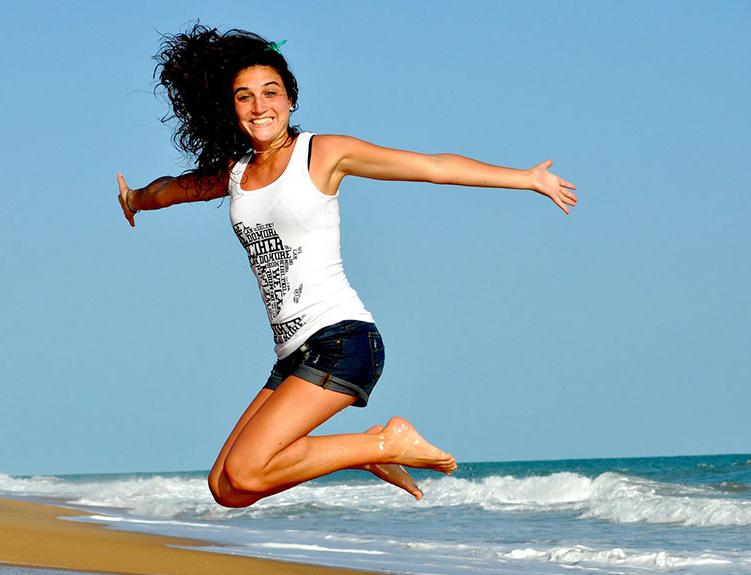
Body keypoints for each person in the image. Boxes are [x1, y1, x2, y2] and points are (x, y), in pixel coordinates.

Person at [116, 25, 577, 508]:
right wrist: (134, 199)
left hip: (341, 340)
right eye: (245, 97)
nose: (260, 107)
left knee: (248, 469)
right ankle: (366, 450)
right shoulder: (236, 174)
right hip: (294, 353)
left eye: (271, 93)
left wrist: (525, 179)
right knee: (226, 487)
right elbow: (171, 189)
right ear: (231, 109)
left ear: (290, 98)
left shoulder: (322, 154)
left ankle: (384, 443)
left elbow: (432, 166)